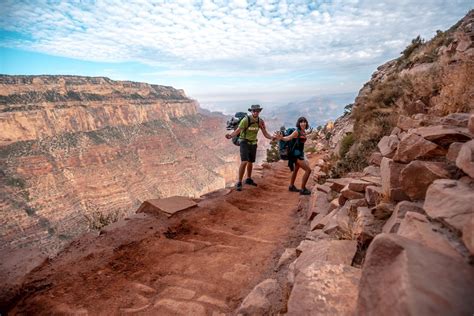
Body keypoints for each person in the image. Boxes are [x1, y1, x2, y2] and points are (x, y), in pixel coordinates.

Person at [225, 104, 275, 191]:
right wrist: (230, 135)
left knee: (251, 162)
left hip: (253, 143)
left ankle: (248, 179)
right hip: (244, 142)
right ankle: (239, 182)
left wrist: (272, 138)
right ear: (251, 111)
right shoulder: (245, 120)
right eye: (254, 110)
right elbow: (238, 131)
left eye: (257, 110)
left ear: (259, 111)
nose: (255, 112)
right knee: (244, 161)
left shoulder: (260, 121)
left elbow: (265, 133)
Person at [276, 116, 312, 195]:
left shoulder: (303, 131)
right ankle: (303, 189)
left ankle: (291, 186)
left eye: (304, 121)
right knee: (308, 170)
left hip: (299, 153)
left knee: (296, 170)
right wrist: (282, 138)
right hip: (296, 155)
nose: (303, 123)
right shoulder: (296, 132)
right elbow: (288, 138)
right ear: (299, 123)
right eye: (301, 122)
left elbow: (302, 138)